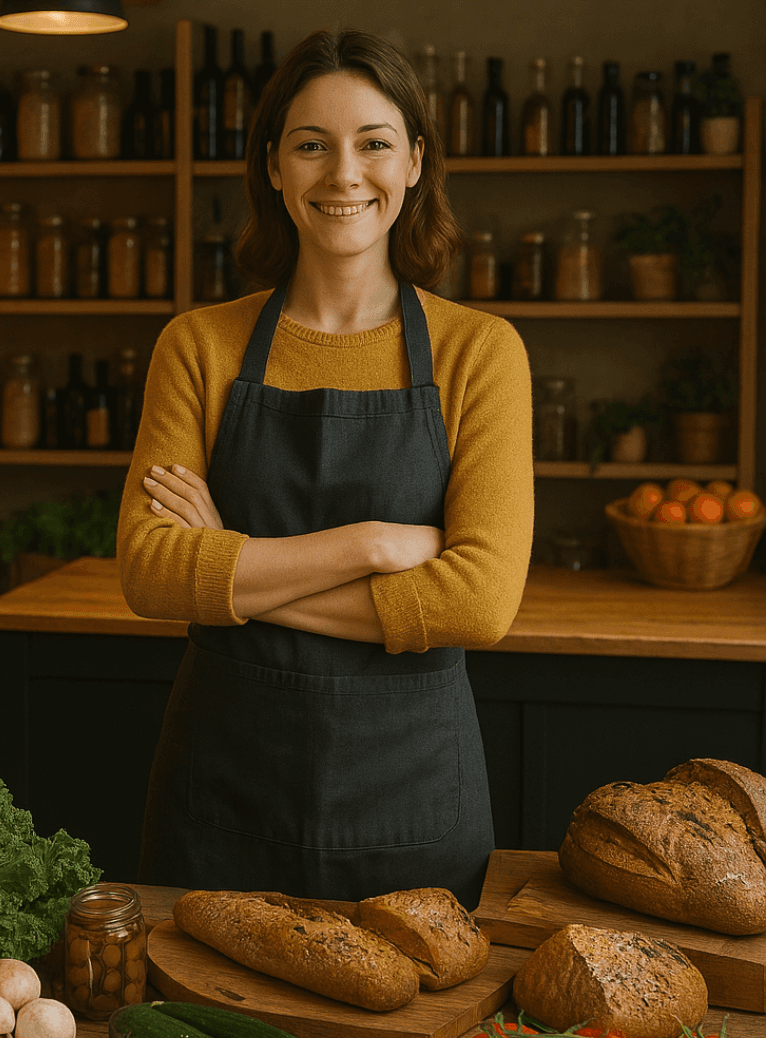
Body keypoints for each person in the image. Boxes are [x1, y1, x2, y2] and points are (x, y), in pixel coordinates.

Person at [116, 28, 533, 909]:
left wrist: (229, 565)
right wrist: (375, 542)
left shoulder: (480, 352)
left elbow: (481, 602)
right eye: (312, 145)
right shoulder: (199, 346)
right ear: (274, 166)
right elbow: (152, 572)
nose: (344, 174)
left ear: (415, 162)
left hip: (412, 801)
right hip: (224, 793)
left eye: (373, 143)